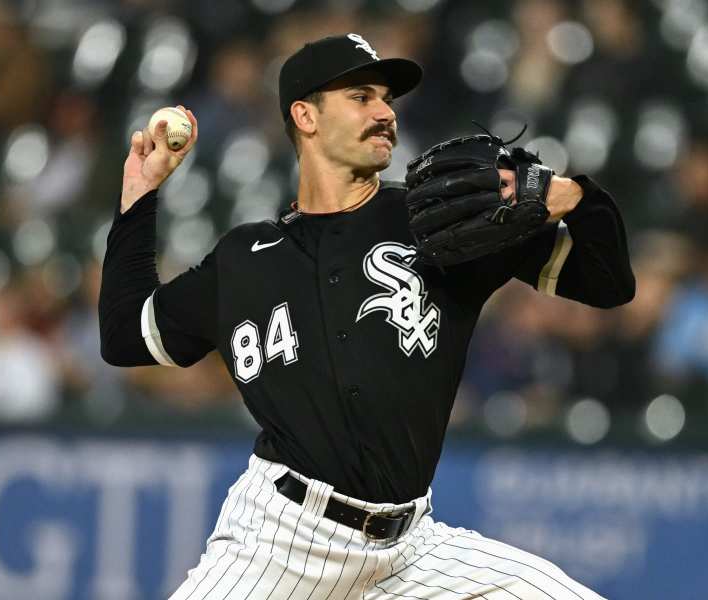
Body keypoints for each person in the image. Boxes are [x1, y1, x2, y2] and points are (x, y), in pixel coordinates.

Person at [99, 34, 634, 600]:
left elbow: (608, 284)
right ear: (305, 115)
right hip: (278, 545)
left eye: (387, 99)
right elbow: (124, 336)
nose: (384, 113)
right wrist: (139, 195)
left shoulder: (439, 222)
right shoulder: (243, 260)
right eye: (361, 96)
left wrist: (575, 196)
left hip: (410, 553)